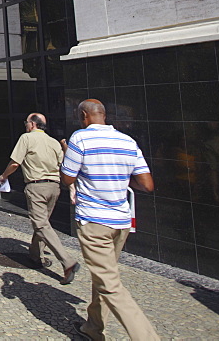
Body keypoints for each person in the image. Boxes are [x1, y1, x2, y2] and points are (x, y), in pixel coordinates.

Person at [61, 99, 159, 341]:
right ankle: (93, 328)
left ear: (84, 115)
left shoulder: (80, 138)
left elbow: (68, 179)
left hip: (94, 220)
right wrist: (121, 181)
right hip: (121, 222)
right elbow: (147, 185)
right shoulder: (128, 141)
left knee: (110, 285)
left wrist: (67, 155)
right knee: (104, 276)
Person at [0, 112, 79, 284]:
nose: (25, 125)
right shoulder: (53, 142)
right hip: (54, 187)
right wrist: (71, 188)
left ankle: (67, 261)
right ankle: (36, 255)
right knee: (43, 223)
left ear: (33, 124)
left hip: (36, 186)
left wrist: (4, 176)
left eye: (26, 122)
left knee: (41, 224)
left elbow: (15, 163)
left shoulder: (26, 138)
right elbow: (64, 167)